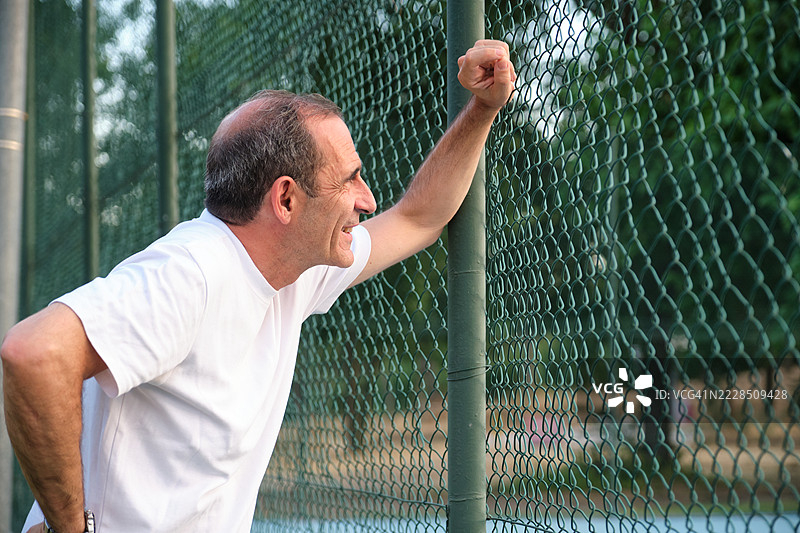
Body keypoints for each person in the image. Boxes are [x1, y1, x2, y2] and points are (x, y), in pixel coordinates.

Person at [1, 39, 516, 533]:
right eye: (349, 179)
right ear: (286, 201)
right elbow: (33, 354)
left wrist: (482, 109)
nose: (367, 198)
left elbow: (419, 217)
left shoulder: (293, 268)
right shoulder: (192, 272)